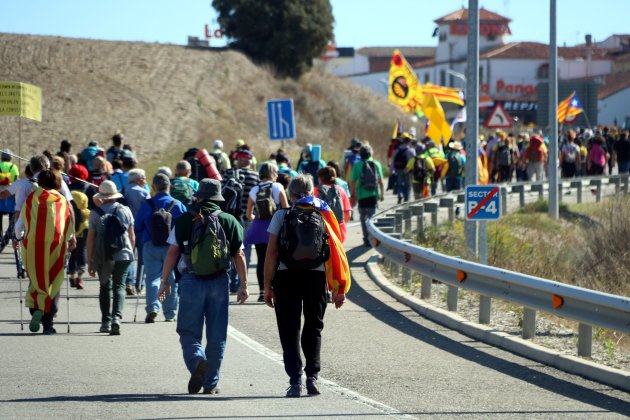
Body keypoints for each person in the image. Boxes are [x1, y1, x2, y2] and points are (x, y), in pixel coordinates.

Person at [158, 178, 249, 394]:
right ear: (218, 198)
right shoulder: (229, 220)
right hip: (219, 281)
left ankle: (197, 360)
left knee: (188, 331)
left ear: (198, 197)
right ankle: (210, 383)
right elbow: (239, 255)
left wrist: (164, 281)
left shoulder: (183, 220)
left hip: (190, 281)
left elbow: (172, 252)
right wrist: (243, 285)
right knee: (217, 335)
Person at [263, 174, 350, 398]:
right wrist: (339, 287)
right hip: (316, 278)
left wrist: (267, 286)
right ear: (313, 192)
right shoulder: (324, 213)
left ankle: (295, 381)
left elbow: (271, 254)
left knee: (289, 329)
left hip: (286, 277)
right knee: (314, 327)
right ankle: (312, 377)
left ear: (290, 194)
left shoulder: (282, 215)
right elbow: (337, 252)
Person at [17, 169, 75, 335]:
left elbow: (20, 224)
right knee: (53, 281)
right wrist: (71, 239)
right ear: (57, 182)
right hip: (55, 246)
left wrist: (17, 237)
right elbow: (67, 225)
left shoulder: (32, 198)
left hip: (33, 246)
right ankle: (47, 322)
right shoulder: (62, 200)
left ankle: (35, 309)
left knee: (36, 278)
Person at [135, 173, 187, 323]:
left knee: (152, 279)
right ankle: (169, 313)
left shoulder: (147, 204)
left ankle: (153, 307)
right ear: (169, 186)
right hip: (172, 248)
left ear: (153, 187)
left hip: (150, 245)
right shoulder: (178, 204)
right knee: (169, 279)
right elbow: (185, 226)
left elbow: (138, 226)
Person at [87, 180, 135, 335]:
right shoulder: (125, 210)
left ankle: (105, 321)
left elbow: (91, 239)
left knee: (105, 287)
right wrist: (131, 251)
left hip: (103, 255)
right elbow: (131, 235)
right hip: (124, 253)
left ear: (101, 195)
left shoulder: (95, 213)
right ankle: (117, 318)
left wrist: (90, 259)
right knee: (120, 286)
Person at [245, 162, 289, 302]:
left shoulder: (254, 189)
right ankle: (275, 289)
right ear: (273, 173)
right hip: (274, 226)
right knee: (275, 258)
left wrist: (256, 218)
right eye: (276, 172)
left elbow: (248, 214)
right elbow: (286, 208)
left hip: (258, 228)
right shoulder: (278, 186)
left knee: (261, 260)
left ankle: (262, 291)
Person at [222, 150, 259, 293]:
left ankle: (231, 280)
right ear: (250, 161)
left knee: (228, 248)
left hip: (230, 217)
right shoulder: (255, 176)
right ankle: (240, 281)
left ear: (238, 160)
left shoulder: (228, 173)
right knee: (244, 251)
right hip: (249, 217)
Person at [350, 143, 385, 247]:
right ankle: (372, 238)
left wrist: (352, 195)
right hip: (373, 195)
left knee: (362, 217)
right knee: (371, 218)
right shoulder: (376, 164)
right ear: (370, 153)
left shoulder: (357, 165)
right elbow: (381, 181)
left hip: (361, 196)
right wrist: (382, 194)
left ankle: (366, 238)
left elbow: (352, 181)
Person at [314, 167, 351, 242]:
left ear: (320, 178)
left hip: (321, 231)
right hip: (339, 231)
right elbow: (348, 214)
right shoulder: (341, 190)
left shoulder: (316, 190)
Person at [0, 150, 19, 250]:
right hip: (11, 194)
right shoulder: (14, 167)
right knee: (12, 217)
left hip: (0, 194)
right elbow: (16, 180)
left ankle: (0, 237)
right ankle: (9, 235)